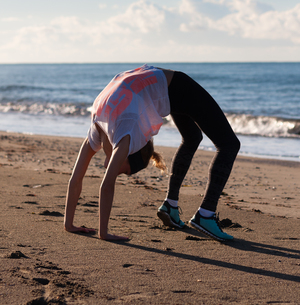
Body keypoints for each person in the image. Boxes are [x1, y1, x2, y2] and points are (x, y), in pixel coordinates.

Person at [64, 64, 240, 242]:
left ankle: (204, 214)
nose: (117, 170)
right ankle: (175, 208)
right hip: (163, 86)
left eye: (124, 171)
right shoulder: (99, 127)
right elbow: (77, 178)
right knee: (194, 138)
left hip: (179, 86)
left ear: (130, 152)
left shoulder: (123, 136)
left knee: (228, 144)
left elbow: (106, 184)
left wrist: (104, 233)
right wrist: (68, 225)